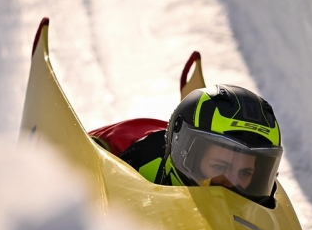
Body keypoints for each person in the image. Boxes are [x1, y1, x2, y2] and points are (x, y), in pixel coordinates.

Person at [88, 84, 283, 206]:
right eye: (219, 167)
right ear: (185, 155)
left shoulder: (263, 197)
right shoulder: (134, 164)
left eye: (245, 173)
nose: (232, 185)